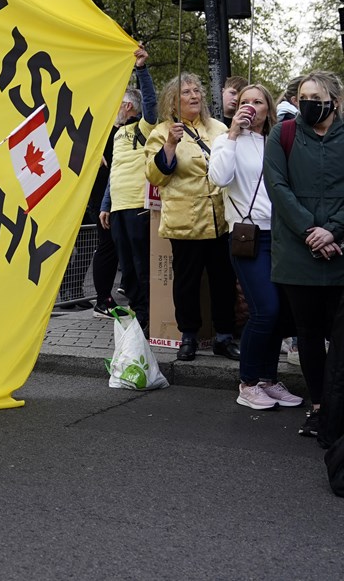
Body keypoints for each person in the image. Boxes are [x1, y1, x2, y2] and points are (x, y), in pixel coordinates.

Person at [209, 83, 304, 410]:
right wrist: (233, 134)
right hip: (248, 236)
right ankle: (247, 383)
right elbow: (219, 178)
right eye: (244, 101)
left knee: (280, 314)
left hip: (281, 236)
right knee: (265, 310)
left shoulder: (277, 140)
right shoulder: (225, 139)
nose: (249, 106)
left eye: (257, 101)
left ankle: (267, 379)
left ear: (268, 108)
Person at [264, 71, 344, 441]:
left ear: (335, 100)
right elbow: (277, 186)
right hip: (299, 252)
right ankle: (319, 408)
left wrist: (335, 229)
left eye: (317, 96)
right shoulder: (283, 134)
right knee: (309, 335)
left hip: (340, 249)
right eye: (303, 96)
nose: (308, 102)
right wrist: (313, 231)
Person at [145, 72, 239, 361]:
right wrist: (170, 146)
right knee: (186, 282)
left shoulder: (219, 128)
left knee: (223, 280)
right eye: (186, 92)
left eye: (196, 90)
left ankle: (224, 336)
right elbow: (154, 175)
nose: (194, 95)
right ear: (173, 100)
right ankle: (188, 336)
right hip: (184, 222)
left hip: (220, 220)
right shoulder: (161, 131)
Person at [97, 45, 157, 326]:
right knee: (128, 266)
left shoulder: (144, 127)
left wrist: (141, 69)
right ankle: (137, 308)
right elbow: (114, 172)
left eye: (118, 104)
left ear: (129, 106)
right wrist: (105, 206)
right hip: (119, 208)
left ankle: (148, 313)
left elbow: (152, 104)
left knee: (141, 262)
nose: (115, 110)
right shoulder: (119, 133)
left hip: (138, 206)